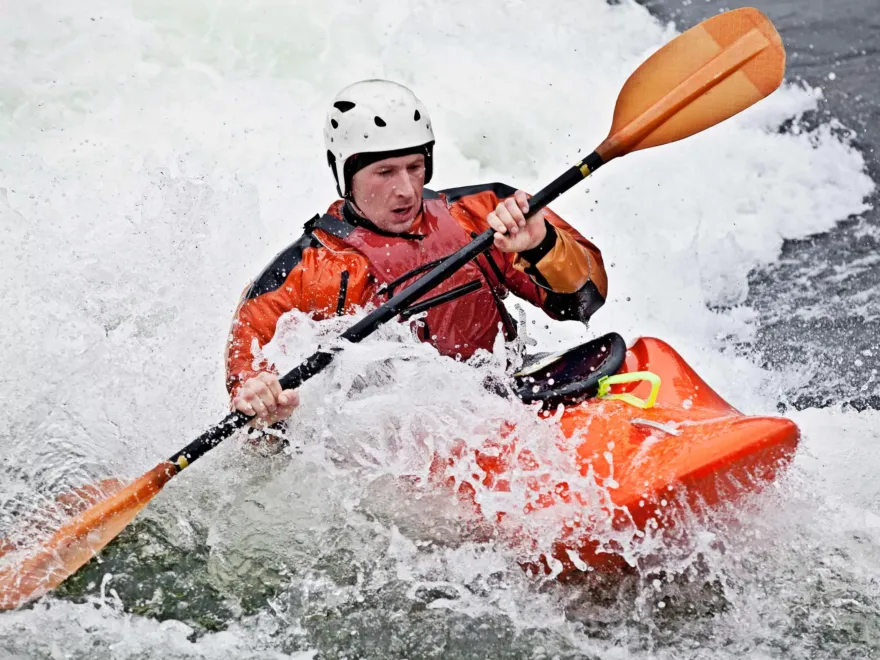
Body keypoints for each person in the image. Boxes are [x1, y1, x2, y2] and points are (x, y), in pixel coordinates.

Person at [226, 80, 608, 426]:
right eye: (385, 172)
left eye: (415, 166)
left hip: (507, 396)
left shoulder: (485, 213)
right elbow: (254, 402)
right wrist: (263, 405)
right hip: (399, 443)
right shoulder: (306, 272)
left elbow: (583, 303)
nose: (407, 189)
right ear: (345, 176)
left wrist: (542, 247)